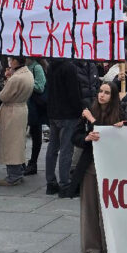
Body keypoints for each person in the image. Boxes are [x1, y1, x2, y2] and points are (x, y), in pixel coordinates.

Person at [73, 79, 124, 253]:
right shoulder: (89, 111)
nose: (102, 95)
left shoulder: (119, 114)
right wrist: (86, 138)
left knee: (109, 208)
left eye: (107, 92)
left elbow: (110, 134)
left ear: (113, 96)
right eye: (101, 91)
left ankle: (110, 245)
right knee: (90, 207)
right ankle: (92, 247)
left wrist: (92, 121)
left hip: (111, 167)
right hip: (90, 166)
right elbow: (75, 136)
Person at [45, 58, 91, 198]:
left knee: (52, 148)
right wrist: (80, 110)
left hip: (54, 112)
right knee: (66, 149)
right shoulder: (69, 67)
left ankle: (51, 182)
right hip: (68, 114)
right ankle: (64, 184)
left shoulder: (51, 65)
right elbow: (74, 93)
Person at [0, 57, 34, 186]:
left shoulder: (16, 78)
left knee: (10, 144)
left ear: (15, 61)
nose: (9, 61)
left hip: (12, 111)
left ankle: (14, 176)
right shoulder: (28, 73)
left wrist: (6, 81)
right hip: (21, 109)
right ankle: (18, 172)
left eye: (11, 59)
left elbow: (3, 96)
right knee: (18, 142)